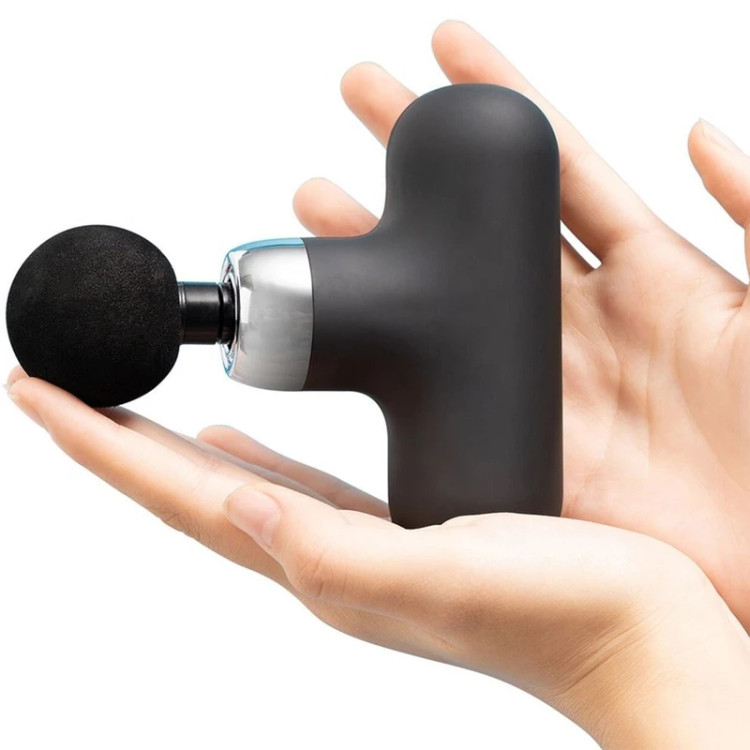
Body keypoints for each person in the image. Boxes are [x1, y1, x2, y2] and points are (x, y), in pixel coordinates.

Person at [6, 19, 750, 748]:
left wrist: (624, 653)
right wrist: (636, 647)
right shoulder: (472, 143)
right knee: (480, 126)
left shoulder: (472, 144)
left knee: (480, 126)